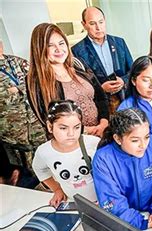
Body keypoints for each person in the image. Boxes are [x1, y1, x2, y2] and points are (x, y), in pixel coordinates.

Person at [93, 108, 152, 230]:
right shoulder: (103, 159)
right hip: (128, 221)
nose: (143, 145)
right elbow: (112, 200)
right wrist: (140, 223)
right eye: (135, 140)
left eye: (147, 137)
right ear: (118, 139)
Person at [27, 23, 109, 137]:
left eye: (61, 43)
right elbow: (47, 119)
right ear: (40, 49)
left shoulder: (78, 65)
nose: (59, 49)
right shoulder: (36, 81)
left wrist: (104, 122)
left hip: (101, 132)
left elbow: (100, 97)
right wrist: (87, 130)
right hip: (73, 140)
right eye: (50, 45)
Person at [32, 100, 100, 207]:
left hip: (102, 201)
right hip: (73, 203)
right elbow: (39, 169)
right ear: (50, 127)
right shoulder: (43, 152)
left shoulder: (94, 143)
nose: (71, 134)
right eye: (63, 128)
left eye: (77, 127)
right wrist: (57, 189)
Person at [72, 6, 133, 112]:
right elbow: (79, 86)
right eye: (92, 23)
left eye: (101, 22)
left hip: (125, 100)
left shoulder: (119, 42)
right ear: (84, 25)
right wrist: (100, 88)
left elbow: (133, 70)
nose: (98, 27)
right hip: (99, 106)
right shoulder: (77, 50)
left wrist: (123, 81)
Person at [0, 39, 46, 168]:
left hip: (34, 121)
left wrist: (16, 90)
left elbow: (37, 81)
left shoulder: (16, 61)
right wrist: (22, 88)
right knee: (21, 166)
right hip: (11, 129)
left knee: (43, 154)